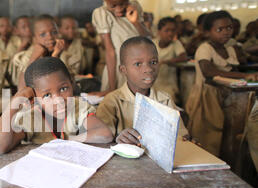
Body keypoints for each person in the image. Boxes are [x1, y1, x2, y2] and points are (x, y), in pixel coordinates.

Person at [0, 57, 113, 154]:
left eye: (64, 89)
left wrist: (66, 141)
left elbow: (104, 134)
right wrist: (14, 103)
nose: (58, 100)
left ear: (72, 83)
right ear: (35, 98)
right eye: (47, 95)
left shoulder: (77, 106)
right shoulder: (31, 117)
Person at [185, 11, 258, 156]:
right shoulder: (205, 48)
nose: (226, 32)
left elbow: (236, 67)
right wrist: (244, 76)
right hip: (207, 97)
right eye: (220, 29)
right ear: (207, 32)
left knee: (228, 135)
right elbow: (209, 71)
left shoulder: (231, 48)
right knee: (208, 135)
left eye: (229, 28)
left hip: (230, 97)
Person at [96, 36, 190, 145]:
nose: (149, 69)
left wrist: (185, 139)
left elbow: (181, 136)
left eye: (153, 62)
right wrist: (118, 138)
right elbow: (101, 139)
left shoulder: (165, 99)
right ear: (123, 70)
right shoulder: (111, 102)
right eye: (138, 64)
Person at [91, 0, 151, 96]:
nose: (118, 9)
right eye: (113, 5)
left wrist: (135, 22)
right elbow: (110, 52)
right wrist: (112, 88)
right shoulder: (102, 14)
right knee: (116, 103)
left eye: (123, 3)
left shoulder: (135, 7)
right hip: (116, 70)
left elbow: (147, 39)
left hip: (138, 68)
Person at [16, 14, 66, 90]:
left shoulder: (61, 51)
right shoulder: (28, 56)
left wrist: (55, 55)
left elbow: (61, 83)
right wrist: (33, 58)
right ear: (34, 39)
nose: (50, 37)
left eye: (54, 32)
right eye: (43, 34)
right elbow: (21, 89)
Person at [152, 17, 188, 104]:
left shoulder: (176, 44)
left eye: (173, 30)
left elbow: (183, 57)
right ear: (159, 32)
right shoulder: (153, 43)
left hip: (168, 84)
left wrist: (166, 62)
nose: (170, 33)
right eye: (167, 30)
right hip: (153, 82)